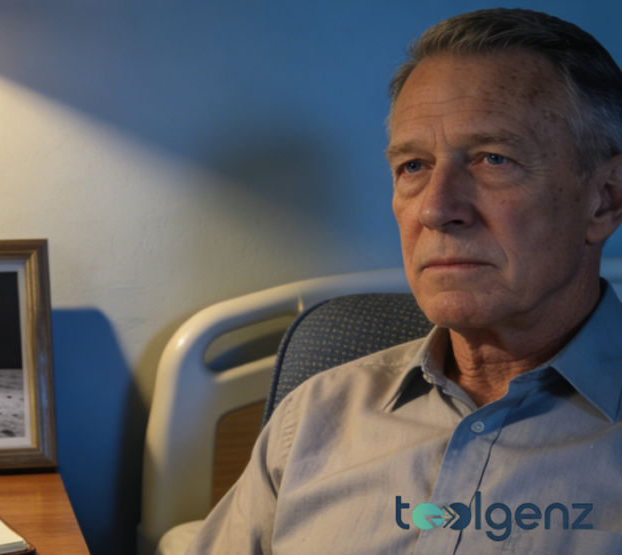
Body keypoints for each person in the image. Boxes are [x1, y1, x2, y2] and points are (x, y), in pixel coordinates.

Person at [184, 8, 622, 554]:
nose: (437, 209)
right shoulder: (314, 418)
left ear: (605, 198)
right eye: (413, 166)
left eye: (493, 159)